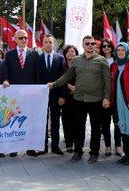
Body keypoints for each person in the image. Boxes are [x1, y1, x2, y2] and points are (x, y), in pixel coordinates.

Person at [48, 35, 111, 163]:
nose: (90, 46)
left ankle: (94, 153)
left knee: (95, 128)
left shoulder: (102, 60)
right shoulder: (76, 60)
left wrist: (106, 98)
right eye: (87, 43)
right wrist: (53, 84)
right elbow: (66, 76)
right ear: (83, 45)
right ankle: (78, 151)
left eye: (92, 43)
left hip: (96, 99)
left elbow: (107, 81)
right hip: (79, 99)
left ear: (95, 45)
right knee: (78, 127)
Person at [2, 29, 41, 157]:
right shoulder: (9, 54)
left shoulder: (34, 54)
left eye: (26, 38)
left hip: (31, 95)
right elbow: (6, 72)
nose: (24, 40)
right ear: (15, 39)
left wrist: (38, 91)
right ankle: (14, 147)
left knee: (29, 121)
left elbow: (37, 74)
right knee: (14, 120)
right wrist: (6, 80)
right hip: (15, 95)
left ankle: (30, 147)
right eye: (21, 38)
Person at [39, 35, 66, 155]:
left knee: (55, 121)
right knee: (42, 121)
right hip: (41, 96)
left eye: (50, 42)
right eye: (46, 42)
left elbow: (64, 78)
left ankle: (55, 146)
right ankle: (43, 147)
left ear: (54, 44)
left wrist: (62, 96)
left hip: (56, 95)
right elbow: (36, 77)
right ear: (42, 44)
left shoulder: (60, 58)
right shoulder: (37, 58)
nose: (48, 44)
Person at [99, 38, 122, 156]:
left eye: (108, 45)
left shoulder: (118, 60)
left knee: (117, 122)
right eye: (104, 46)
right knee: (105, 122)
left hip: (117, 96)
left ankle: (118, 146)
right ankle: (108, 146)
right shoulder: (98, 60)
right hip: (104, 96)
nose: (106, 48)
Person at [60, 45, 78, 153]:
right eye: (68, 51)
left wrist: (77, 88)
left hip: (78, 97)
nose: (71, 53)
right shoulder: (62, 65)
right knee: (66, 121)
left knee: (78, 121)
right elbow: (59, 79)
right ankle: (69, 144)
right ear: (65, 53)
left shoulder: (80, 65)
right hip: (65, 97)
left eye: (73, 51)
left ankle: (78, 144)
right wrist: (69, 87)